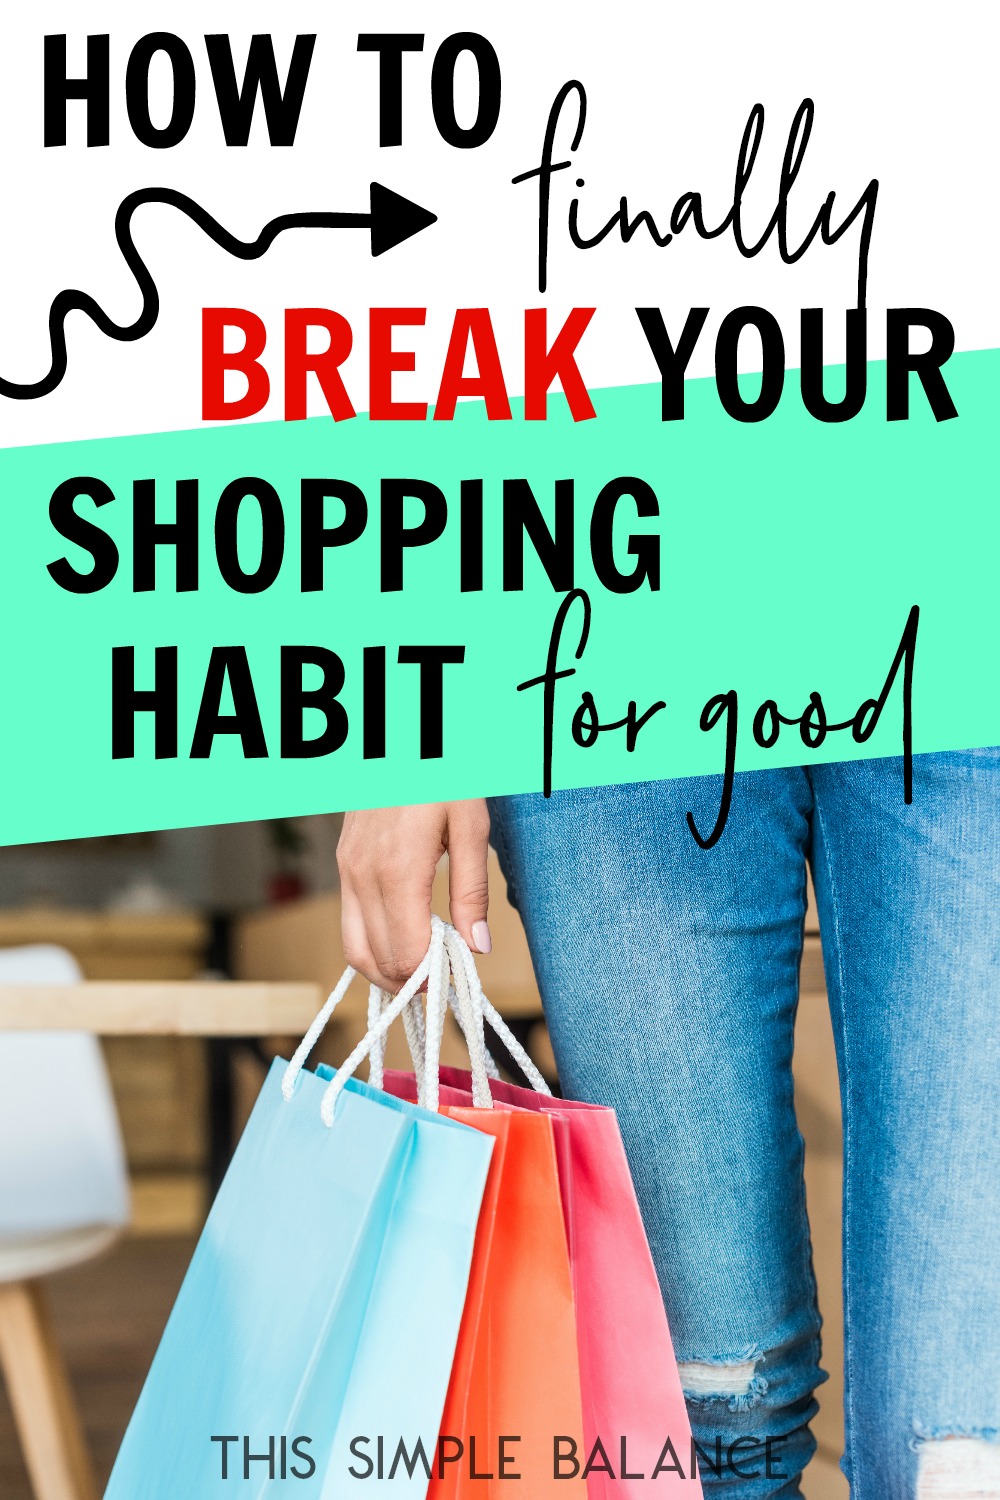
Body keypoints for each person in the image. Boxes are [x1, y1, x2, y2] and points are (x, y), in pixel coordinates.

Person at [336, 748, 1000, 1499]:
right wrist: (405, 748)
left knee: (960, 1456)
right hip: (617, 696)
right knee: (709, 1415)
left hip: (962, 673)